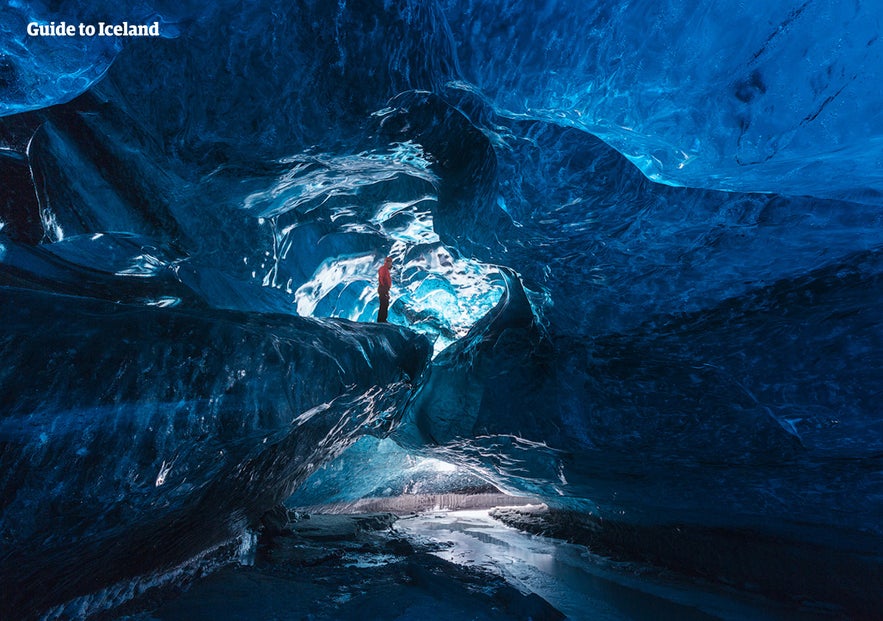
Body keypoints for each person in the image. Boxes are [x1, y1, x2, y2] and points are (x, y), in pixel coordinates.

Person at [377, 256, 392, 323]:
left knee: (385, 303)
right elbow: (381, 278)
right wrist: (384, 287)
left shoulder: (386, 270)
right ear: (387, 262)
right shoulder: (383, 269)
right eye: (390, 262)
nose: (391, 264)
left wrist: (387, 291)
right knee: (383, 304)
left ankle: (383, 319)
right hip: (383, 288)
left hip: (384, 289)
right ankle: (381, 320)